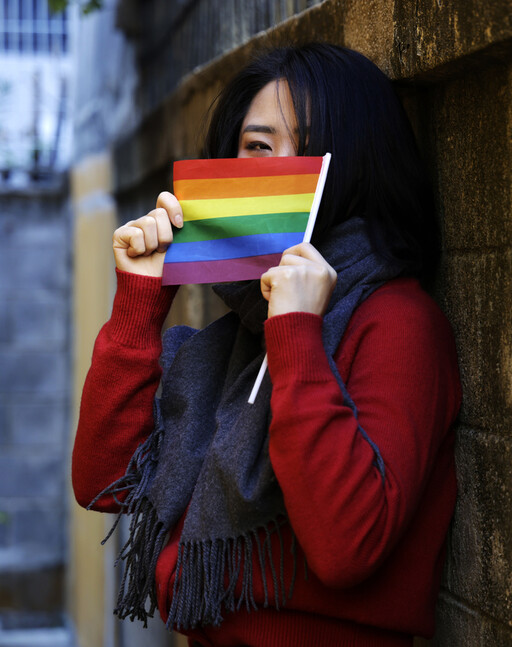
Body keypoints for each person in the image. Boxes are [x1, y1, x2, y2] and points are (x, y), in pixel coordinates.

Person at [72, 43, 461, 647]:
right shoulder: (237, 337)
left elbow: (346, 546)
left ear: (357, 163)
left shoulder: (398, 322)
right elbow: (104, 480)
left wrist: (298, 337)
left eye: (307, 147)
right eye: (257, 147)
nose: (277, 168)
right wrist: (140, 301)